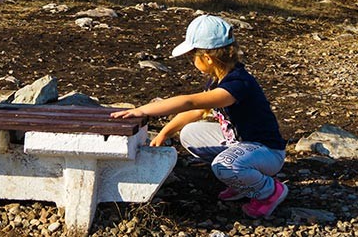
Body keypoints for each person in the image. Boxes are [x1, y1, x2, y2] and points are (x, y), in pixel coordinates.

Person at [112, 14, 289, 219]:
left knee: (224, 166)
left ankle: (269, 191)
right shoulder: (218, 79)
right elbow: (195, 111)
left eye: (192, 56)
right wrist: (165, 132)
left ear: (207, 58)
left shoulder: (238, 84)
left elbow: (190, 102)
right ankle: (242, 182)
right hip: (243, 145)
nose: (191, 61)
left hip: (268, 152)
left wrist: (143, 111)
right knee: (189, 133)